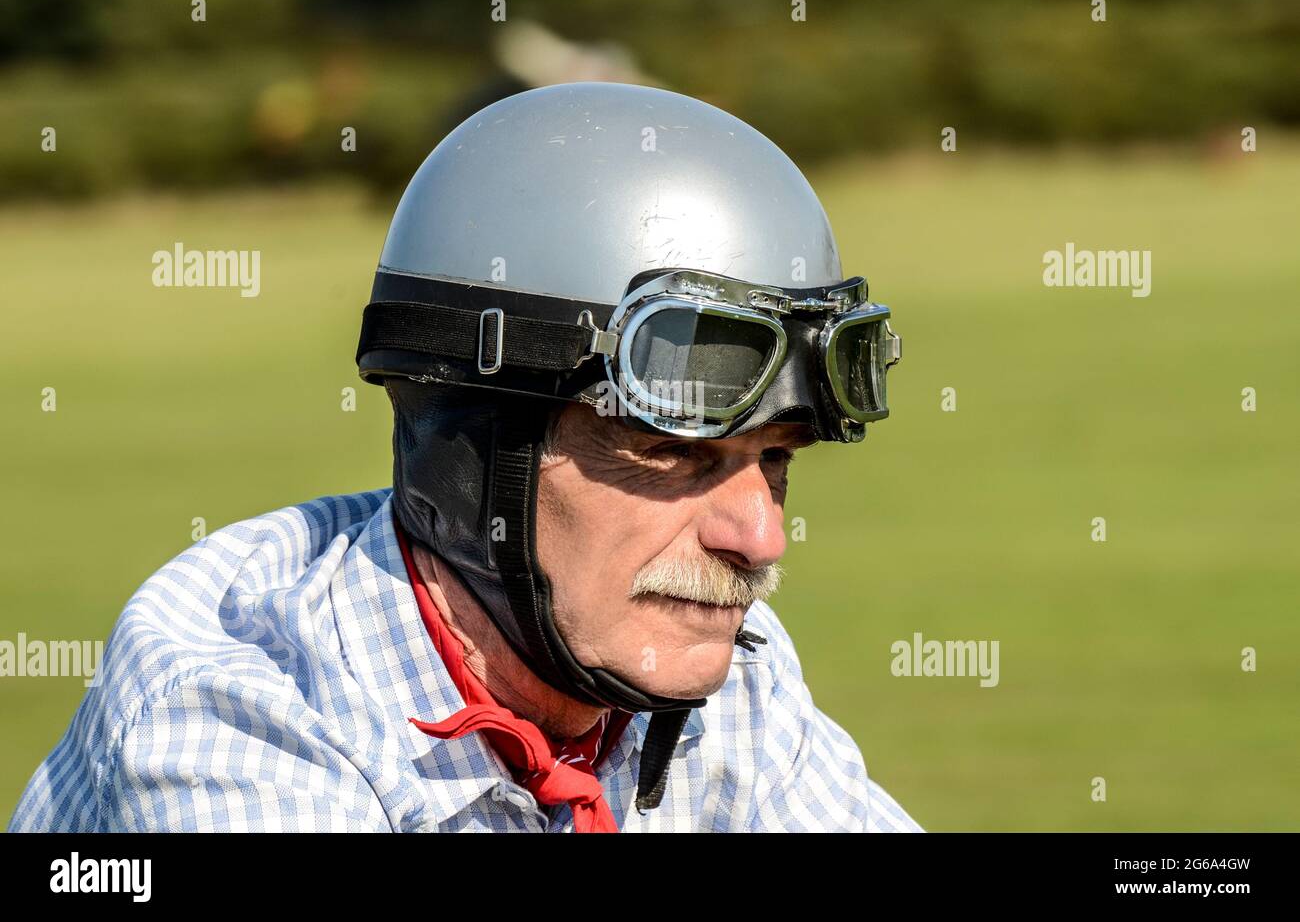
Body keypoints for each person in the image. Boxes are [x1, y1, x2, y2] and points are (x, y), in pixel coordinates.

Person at [9, 82, 920, 832]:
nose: (759, 538)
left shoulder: (732, 678)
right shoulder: (238, 729)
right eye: (671, 456)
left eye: (775, 463)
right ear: (472, 458)